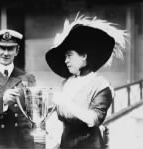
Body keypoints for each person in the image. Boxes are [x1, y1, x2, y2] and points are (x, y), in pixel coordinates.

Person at [45, 14, 127, 149]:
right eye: (65, 57)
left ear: (84, 56)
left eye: (69, 55)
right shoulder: (67, 83)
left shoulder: (101, 85)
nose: (66, 60)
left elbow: (93, 119)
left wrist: (65, 102)